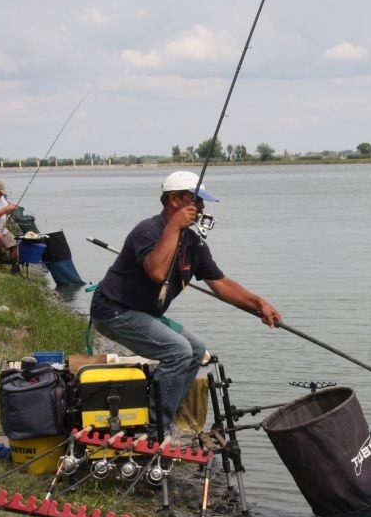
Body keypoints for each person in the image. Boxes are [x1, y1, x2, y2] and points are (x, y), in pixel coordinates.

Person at [90, 170, 281, 440]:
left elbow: (221, 284)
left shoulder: (193, 242)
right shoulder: (148, 230)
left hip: (142, 313)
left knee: (195, 349)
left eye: (202, 201)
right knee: (177, 351)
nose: (201, 207)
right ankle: (157, 429)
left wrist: (259, 304)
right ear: (174, 200)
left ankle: (166, 413)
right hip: (114, 311)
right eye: (196, 200)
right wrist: (174, 227)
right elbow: (157, 272)